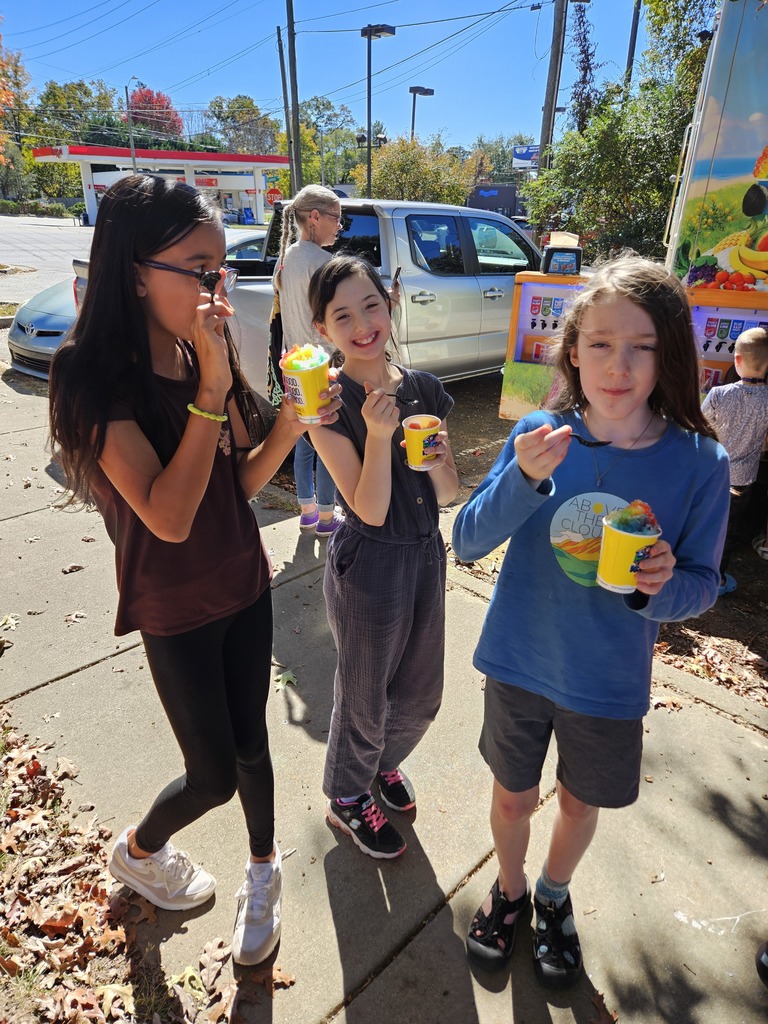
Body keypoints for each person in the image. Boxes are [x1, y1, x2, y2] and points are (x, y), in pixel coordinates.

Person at [48, 175, 340, 965]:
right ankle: (140, 851)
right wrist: (212, 385)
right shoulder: (94, 377)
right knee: (210, 774)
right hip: (173, 602)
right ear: (137, 269)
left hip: (243, 581)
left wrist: (292, 422)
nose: (219, 289)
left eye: (223, 272)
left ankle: (263, 865)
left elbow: (239, 482)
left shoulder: (193, 347)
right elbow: (168, 518)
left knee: (254, 746)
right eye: (201, 269)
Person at [452, 254, 730, 988]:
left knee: (578, 801)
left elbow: (701, 584)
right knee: (512, 794)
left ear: (670, 354)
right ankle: (509, 888)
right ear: (573, 350)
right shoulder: (542, 433)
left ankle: (551, 893)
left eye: (642, 345)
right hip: (517, 660)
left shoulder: (701, 461)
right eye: (601, 343)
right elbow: (468, 541)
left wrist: (656, 589)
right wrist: (526, 476)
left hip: (607, 681)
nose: (619, 365)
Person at [306, 254, 459, 859]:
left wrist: (441, 458)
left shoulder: (422, 388)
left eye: (371, 304)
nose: (363, 322)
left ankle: (380, 764)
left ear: (389, 303)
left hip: (425, 552)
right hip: (369, 564)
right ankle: (346, 794)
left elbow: (445, 493)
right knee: (365, 694)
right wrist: (374, 435)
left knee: (421, 693)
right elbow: (367, 510)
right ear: (324, 330)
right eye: (342, 315)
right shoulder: (325, 404)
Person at [274, 184, 345, 537]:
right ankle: (329, 518)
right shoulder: (325, 263)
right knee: (329, 443)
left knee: (304, 441)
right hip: (323, 366)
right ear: (314, 217)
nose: (338, 226)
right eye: (335, 218)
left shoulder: (287, 257)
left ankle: (307, 512)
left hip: (293, 364)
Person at [701, 326, 768, 594]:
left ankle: (691, 569)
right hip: (744, 480)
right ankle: (716, 580)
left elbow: (700, 428)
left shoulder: (719, 394)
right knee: (728, 532)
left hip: (712, 473)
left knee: (702, 522)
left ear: (736, 360)